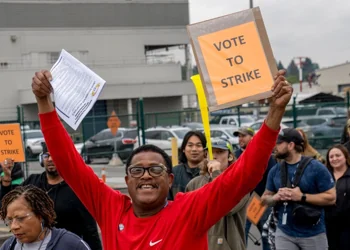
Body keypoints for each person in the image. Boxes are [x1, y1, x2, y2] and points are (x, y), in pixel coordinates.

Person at [31, 69, 292, 249]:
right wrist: (44, 101)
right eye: (137, 170)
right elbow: (68, 162)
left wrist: (275, 113)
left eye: (155, 169)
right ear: (126, 180)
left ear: (169, 179)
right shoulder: (110, 208)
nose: (146, 175)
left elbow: (244, 174)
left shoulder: (189, 210)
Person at [0, 143, 102, 250]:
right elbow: (8, 204)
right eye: (46, 156)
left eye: (55, 155)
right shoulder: (32, 182)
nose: (50, 159)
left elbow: (90, 229)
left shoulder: (76, 188)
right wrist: (7, 178)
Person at [261, 128, 336, 250]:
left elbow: (331, 197)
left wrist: (302, 196)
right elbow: (264, 200)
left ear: (291, 145)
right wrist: (276, 197)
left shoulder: (316, 167)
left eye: (279, 143)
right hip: (284, 232)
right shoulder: (275, 170)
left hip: (313, 233)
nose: (275, 146)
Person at [186, 138, 249, 250]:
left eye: (219, 152)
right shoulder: (194, 184)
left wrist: (216, 173)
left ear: (230, 156)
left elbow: (225, 207)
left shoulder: (240, 183)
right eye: (211, 152)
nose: (214, 156)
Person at [0, 185, 91, 250]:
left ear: (40, 216)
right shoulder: (8, 246)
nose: (13, 226)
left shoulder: (71, 244)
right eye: (10, 220)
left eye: (20, 218)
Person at [168, 130, 206, 200]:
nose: (194, 149)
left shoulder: (210, 172)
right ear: (183, 149)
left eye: (198, 145)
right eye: (190, 145)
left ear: (205, 150)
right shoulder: (174, 173)